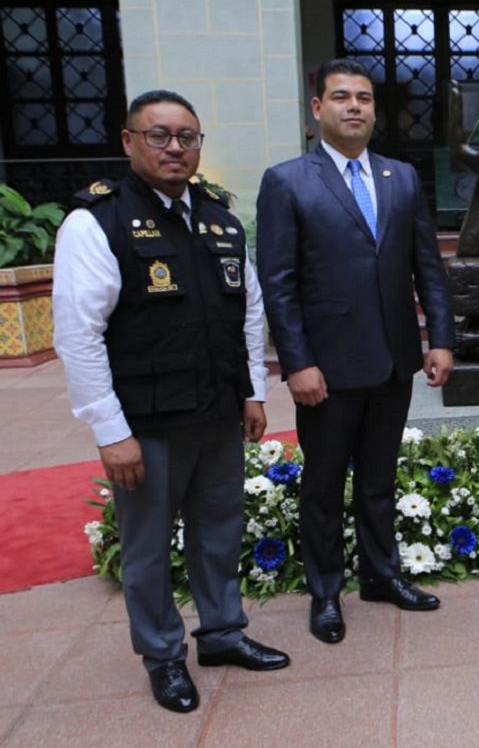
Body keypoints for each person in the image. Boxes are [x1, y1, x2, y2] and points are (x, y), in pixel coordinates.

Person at [53, 90, 289, 713]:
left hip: (216, 414)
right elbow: (77, 335)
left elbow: (248, 311)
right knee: (149, 549)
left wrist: (253, 391)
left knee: (218, 533)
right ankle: (162, 656)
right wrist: (109, 430)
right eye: (159, 136)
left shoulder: (219, 219)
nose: (176, 147)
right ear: (129, 142)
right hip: (146, 424)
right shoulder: (96, 221)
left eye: (187, 136)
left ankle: (220, 634)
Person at [256, 59, 455, 642]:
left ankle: (381, 575)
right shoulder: (287, 181)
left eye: (364, 98)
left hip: (393, 360)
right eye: (341, 97)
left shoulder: (401, 177)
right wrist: (295, 362)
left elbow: (428, 267)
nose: (355, 107)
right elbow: (279, 282)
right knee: (322, 485)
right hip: (326, 367)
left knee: (377, 479)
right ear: (316, 109)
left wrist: (439, 337)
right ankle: (325, 592)